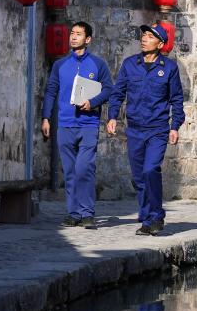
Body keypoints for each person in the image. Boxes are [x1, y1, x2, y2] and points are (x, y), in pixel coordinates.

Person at [107, 23, 185, 236]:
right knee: (139, 177)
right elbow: (118, 93)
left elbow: (176, 99)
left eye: (150, 36)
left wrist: (175, 126)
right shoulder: (130, 64)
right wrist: (112, 116)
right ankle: (147, 215)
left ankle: (155, 216)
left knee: (151, 170)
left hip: (157, 129)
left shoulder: (169, 68)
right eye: (144, 35)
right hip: (135, 129)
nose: (144, 39)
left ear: (160, 44)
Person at [41, 22, 113, 229]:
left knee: (84, 168)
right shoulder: (60, 65)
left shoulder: (98, 64)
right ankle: (74, 213)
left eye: (78, 34)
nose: (73, 37)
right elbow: (51, 91)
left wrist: (93, 102)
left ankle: (87, 212)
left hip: (88, 124)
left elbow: (109, 89)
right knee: (70, 170)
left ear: (87, 39)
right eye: (72, 33)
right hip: (65, 124)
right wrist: (46, 118)